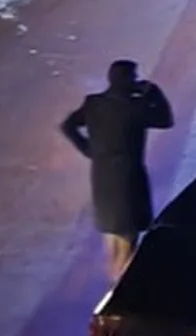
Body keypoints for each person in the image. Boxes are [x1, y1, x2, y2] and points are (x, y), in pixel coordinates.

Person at [61, 60, 174, 281]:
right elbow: (166, 119)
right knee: (127, 245)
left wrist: (88, 149)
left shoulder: (94, 104)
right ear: (128, 80)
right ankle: (121, 290)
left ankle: (114, 286)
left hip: (102, 181)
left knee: (112, 241)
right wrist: (154, 92)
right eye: (134, 77)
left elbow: (68, 126)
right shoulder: (135, 107)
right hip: (128, 182)